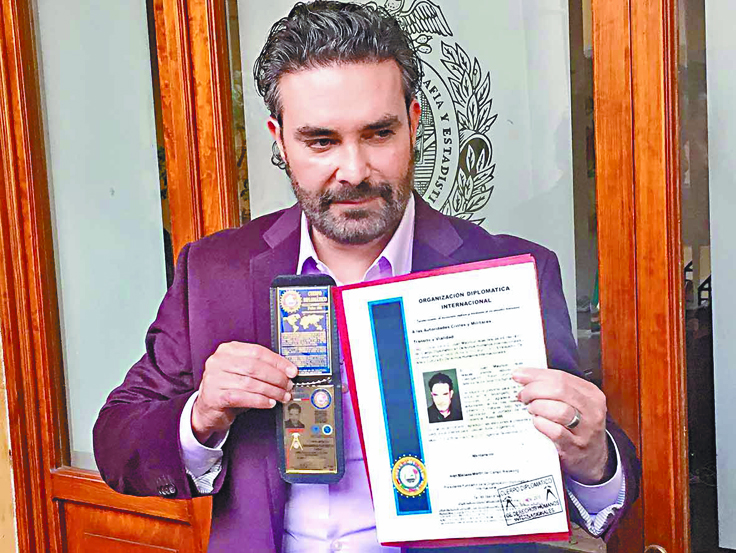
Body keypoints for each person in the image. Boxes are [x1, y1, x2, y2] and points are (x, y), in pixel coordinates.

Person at [93, 2, 641, 552]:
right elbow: (118, 442)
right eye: (321, 141)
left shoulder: (511, 273)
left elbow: (587, 480)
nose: (353, 171)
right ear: (279, 140)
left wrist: (593, 456)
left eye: (379, 134)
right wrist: (202, 415)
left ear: (414, 123)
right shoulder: (215, 272)